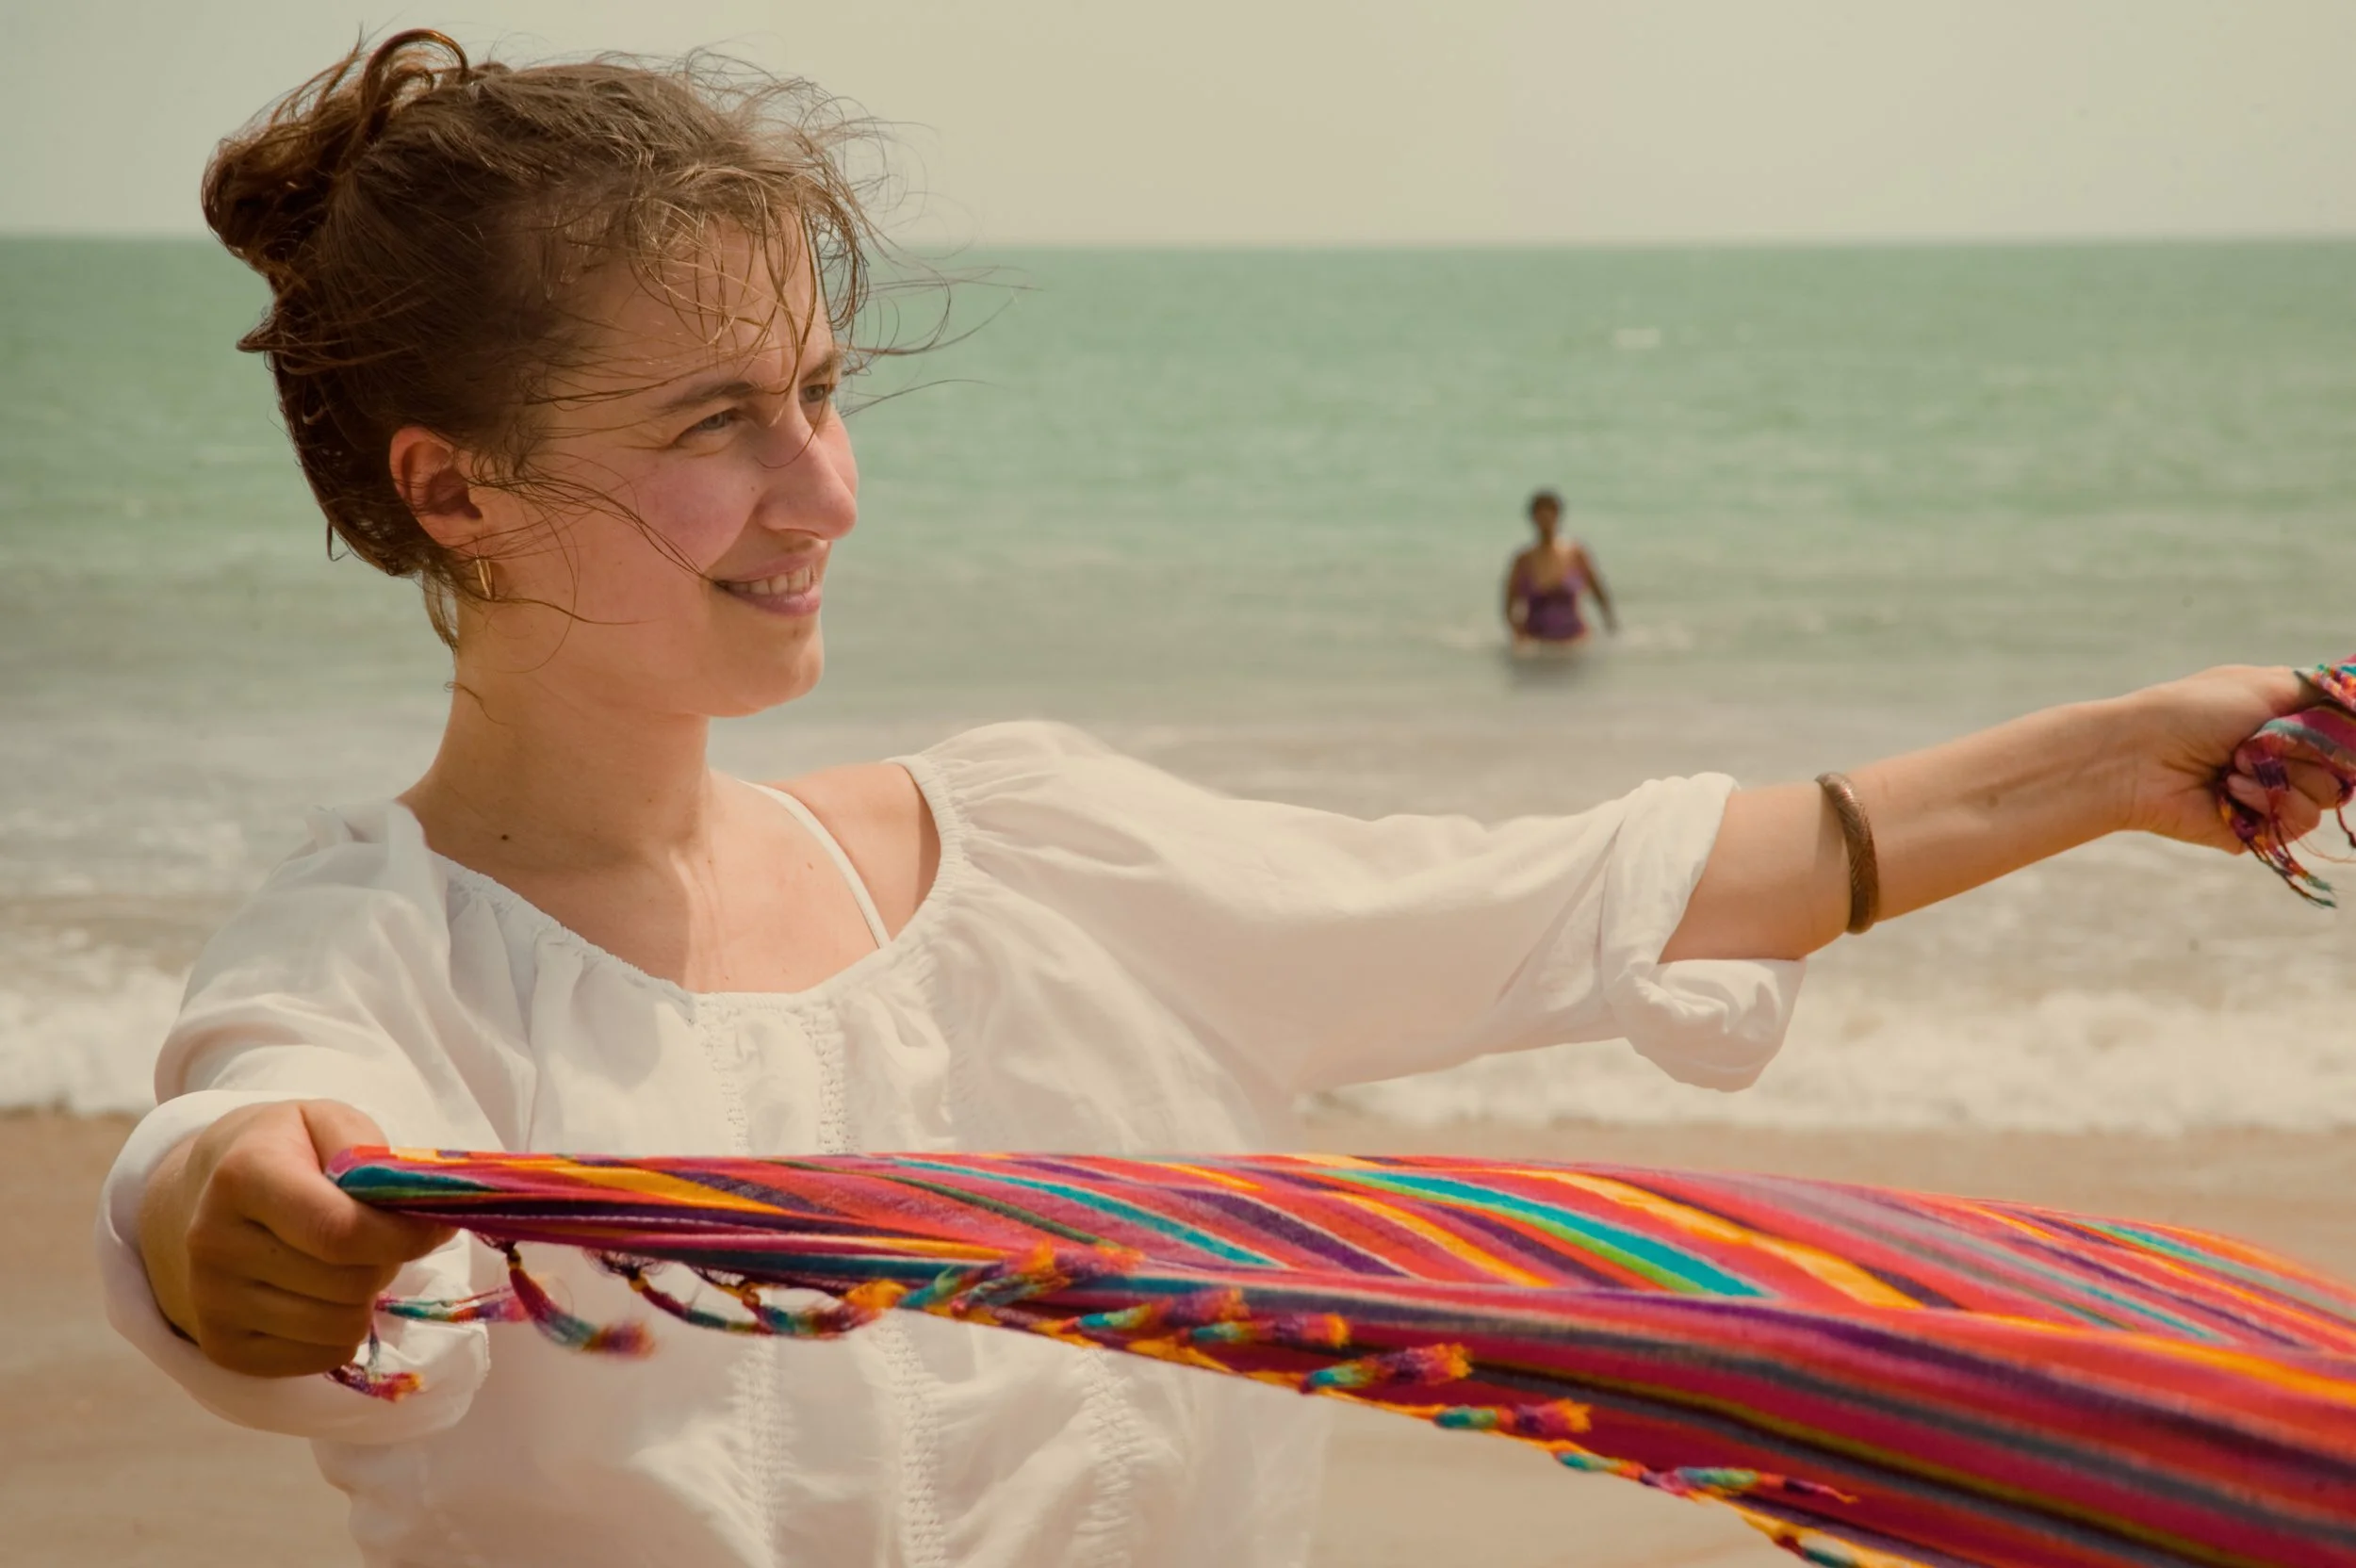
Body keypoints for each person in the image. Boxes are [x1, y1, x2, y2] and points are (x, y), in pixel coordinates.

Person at [97, 32, 2339, 1568]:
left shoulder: (1052, 866)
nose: (827, 490)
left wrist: (2123, 758)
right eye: (721, 420)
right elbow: (236, 1167)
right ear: (452, 487)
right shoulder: (377, 961)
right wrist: (244, 1229)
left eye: (823, 393)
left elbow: (1625, 884)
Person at [1504, 488, 1616, 650]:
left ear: (1558, 515)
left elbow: (1598, 592)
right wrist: (1516, 633)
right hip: (1537, 644)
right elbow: (1508, 604)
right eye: (1540, 514)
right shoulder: (1523, 560)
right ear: (1532, 518)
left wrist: (1610, 626)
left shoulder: (1576, 554)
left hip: (1574, 643)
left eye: (1550, 513)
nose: (1545, 520)